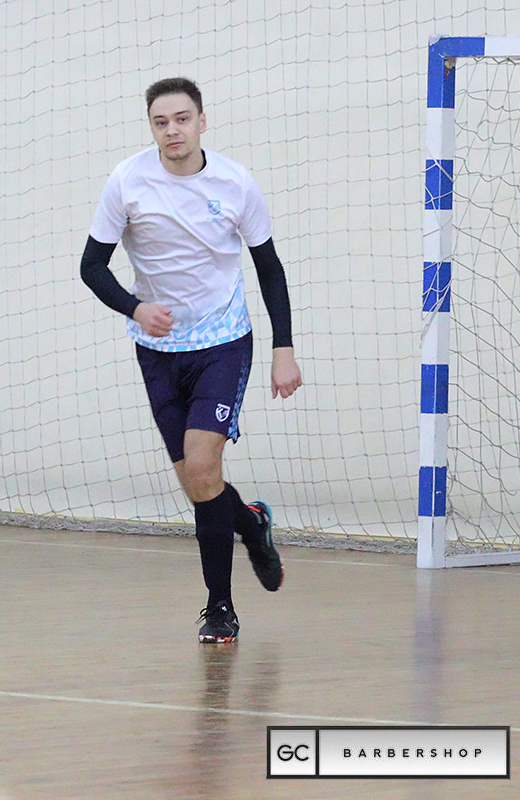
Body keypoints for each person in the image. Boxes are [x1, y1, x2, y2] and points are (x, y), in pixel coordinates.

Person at [80, 78, 302, 643]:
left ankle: (219, 608)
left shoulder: (235, 182)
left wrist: (283, 348)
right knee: (198, 485)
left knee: (203, 469)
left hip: (223, 342)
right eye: (161, 122)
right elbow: (91, 266)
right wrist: (135, 307)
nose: (172, 130)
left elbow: (269, 268)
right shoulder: (127, 181)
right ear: (151, 128)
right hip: (157, 351)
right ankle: (251, 523)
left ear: (202, 121)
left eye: (182, 119)